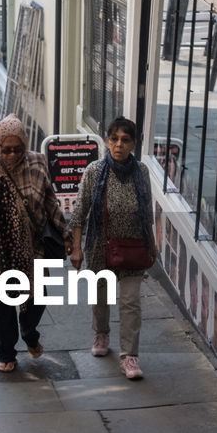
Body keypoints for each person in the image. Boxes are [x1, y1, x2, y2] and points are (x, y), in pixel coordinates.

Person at [0, 115, 69, 373]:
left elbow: (50, 203)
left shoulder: (38, 163)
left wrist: (67, 236)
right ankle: (7, 353)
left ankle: (30, 333)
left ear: (25, 144)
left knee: (37, 298)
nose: (11, 155)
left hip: (34, 248)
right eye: (5, 149)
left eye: (17, 149)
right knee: (0, 305)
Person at [69, 117, 156, 380]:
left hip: (133, 248)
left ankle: (130, 356)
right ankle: (101, 333)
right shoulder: (94, 171)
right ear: (107, 140)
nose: (119, 145)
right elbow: (79, 211)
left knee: (130, 302)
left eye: (125, 140)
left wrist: (151, 244)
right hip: (100, 247)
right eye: (114, 139)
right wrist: (76, 247)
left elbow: (146, 212)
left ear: (133, 144)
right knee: (101, 297)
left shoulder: (141, 172)